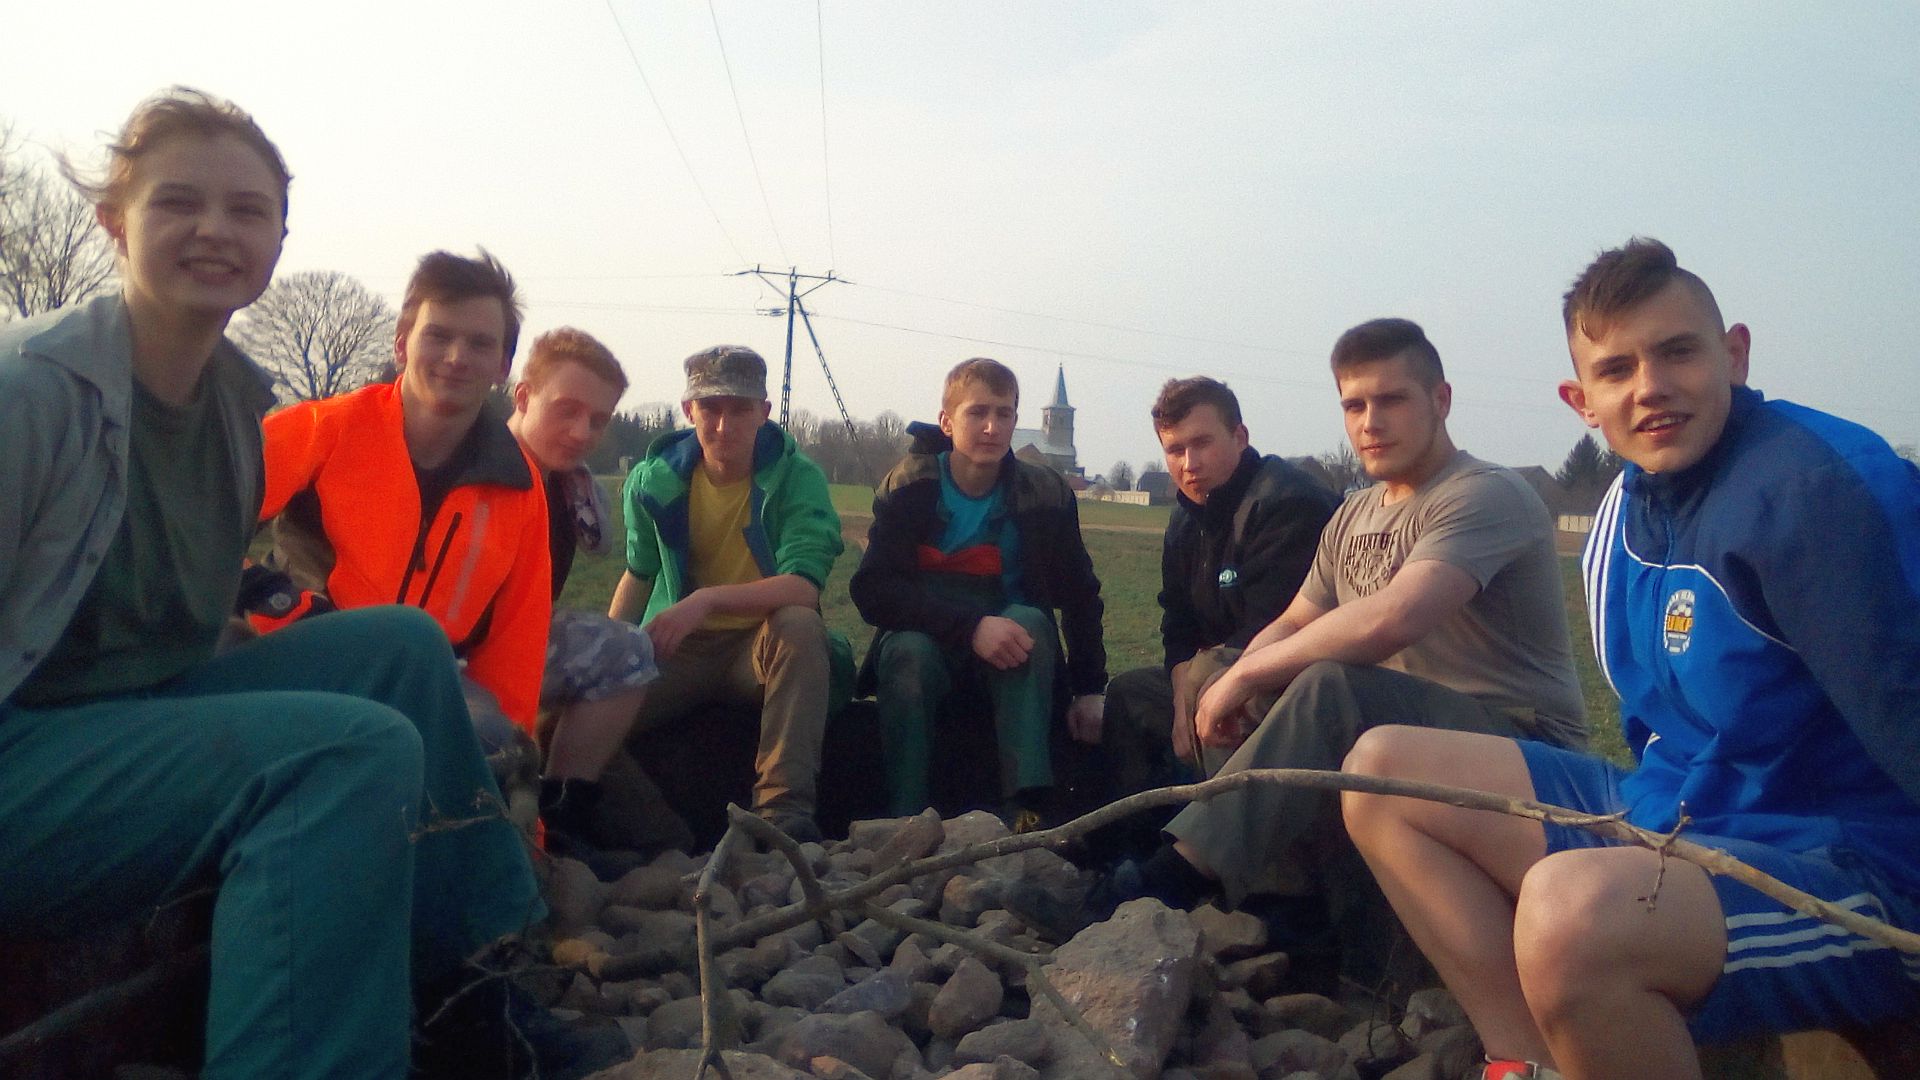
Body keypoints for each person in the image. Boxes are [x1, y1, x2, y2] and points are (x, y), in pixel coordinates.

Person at [0, 88, 544, 1079]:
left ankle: (465, 989)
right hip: (25, 757)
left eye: (247, 210)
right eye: (179, 202)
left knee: (401, 647)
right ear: (115, 221)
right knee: (348, 749)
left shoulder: (232, 409)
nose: (216, 229)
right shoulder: (31, 394)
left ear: (279, 239)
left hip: (125, 708)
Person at [1342, 239, 1920, 1080]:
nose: (1650, 387)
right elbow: (1653, 725)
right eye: (1616, 369)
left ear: (1735, 355)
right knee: (1382, 773)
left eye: (1677, 352)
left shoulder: (1816, 494)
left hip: (1847, 867)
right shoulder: (1622, 510)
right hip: (1683, 814)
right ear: (1582, 400)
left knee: (1569, 916)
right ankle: (1530, 1064)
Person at [1075, 319, 1585, 936]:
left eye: (1392, 400)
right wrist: (1235, 676)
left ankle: (1175, 878)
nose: (1371, 422)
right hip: (1401, 730)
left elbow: (1394, 617)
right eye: (1354, 405)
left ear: (1441, 400)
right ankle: (1279, 901)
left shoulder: (1485, 494)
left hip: (1521, 742)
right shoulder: (1354, 514)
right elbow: (1297, 618)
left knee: (1329, 686)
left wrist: (1246, 676)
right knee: (1244, 677)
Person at [254, 249, 551, 773]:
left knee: (488, 747)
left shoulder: (520, 487)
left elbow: (516, 646)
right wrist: (272, 601)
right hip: (300, 648)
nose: (456, 357)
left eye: (480, 343)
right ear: (401, 343)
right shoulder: (326, 428)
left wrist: (511, 781)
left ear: (503, 366)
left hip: (429, 678)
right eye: (438, 335)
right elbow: (198, 519)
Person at [851, 357, 1108, 829]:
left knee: (1029, 623)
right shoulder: (910, 487)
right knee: (907, 651)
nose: (992, 427)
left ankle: (1026, 806)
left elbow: (1080, 593)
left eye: (1004, 414)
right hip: (928, 641)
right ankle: (905, 816)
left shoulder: (1045, 493)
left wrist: (1091, 688)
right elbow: (874, 590)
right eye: (977, 413)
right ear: (947, 422)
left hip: (1011, 652)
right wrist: (970, 628)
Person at [607, 345, 843, 843]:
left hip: (757, 648)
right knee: (570, 710)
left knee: (801, 627)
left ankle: (781, 815)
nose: (723, 425)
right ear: (688, 410)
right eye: (710, 408)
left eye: (739, 409)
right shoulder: (652, 480)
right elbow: (639, 572)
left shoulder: (797, 478)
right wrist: (605, 652)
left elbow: (803, 587)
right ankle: (657, 835)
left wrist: (707, 600)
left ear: (764, 412)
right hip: (678, 647)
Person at [1099, 376, 1338, 796]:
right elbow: (1177, 624)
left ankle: (1217, 831)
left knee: (1210, 678)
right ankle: (1134, 827)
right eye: (1175, 450)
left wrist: (1199, 690)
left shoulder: (1288, 504)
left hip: (1294, 679)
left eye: (1202, 443)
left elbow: (1272, 628)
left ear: (1240, 437)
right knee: (1128, 695)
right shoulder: (1185, 517)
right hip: (1208, 675)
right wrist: (1180, 702)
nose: (1189, 463)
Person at [503, 327, 662, 856]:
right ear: (523, 396)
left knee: (627, 649)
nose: (581, 432)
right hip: (450, 651)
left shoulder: (570, 487)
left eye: (598, 420)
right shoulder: (481, 466)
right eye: (566, 410)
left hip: (520, 637)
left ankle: (561, 818)